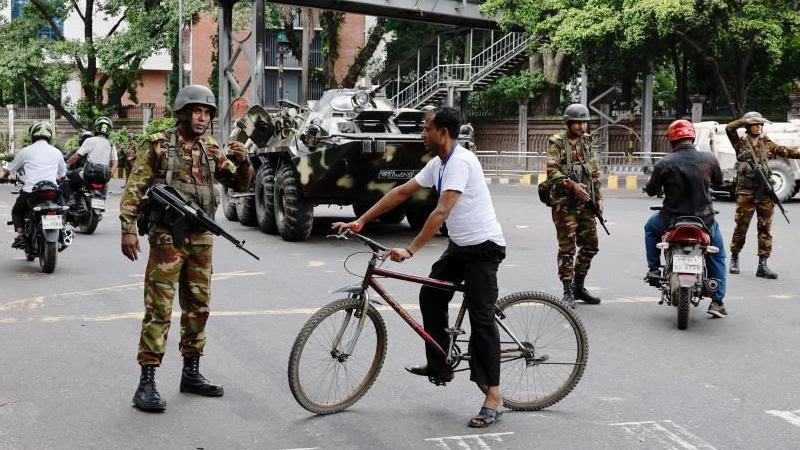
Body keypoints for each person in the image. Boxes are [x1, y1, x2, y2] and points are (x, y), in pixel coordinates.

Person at [332, 106, 507, 428]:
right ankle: (441, 366)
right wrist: (361, 221)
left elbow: (440, 212)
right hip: (460, 247)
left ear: (442, 131)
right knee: (430, 295)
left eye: (426, 128)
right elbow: (401, 192)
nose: (422, 134)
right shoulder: (439, 164)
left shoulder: (460, 162)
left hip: (483, 249)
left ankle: (493, 395)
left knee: (481, 319)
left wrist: (411, 250)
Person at [119, 85, 253, 413]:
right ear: (181, 113)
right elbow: (135, 187)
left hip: (201, 238)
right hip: (167, 237)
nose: (202, 118)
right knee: (159, 309)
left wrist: (245, 161)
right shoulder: (158, 145)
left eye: (207, 113)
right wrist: (128, 229)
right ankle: (146, 382)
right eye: (196, 112)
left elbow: (240, 184)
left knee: (198, 307)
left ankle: (191, 374)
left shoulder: (211, 148)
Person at [643, 119, 728, 318]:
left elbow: (652, 190)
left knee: (650, 228)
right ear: (692, 137)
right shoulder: (709, 159)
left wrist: (649, 188)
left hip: (671, 220)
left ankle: (654, 268)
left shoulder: (665, 163)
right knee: (718, 254)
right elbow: (720, 182)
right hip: (704, 220)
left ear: (672, 140)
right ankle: (717, 301)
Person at [725, 111, 800, 279]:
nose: (759, 127)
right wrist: (746, 119)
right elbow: (729, 128)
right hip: (746, 192)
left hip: (765, 192)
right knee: (741, 227)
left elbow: (786, 151)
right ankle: (735, 258)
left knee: (765, 228)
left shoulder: (767, 143)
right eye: (755, 124)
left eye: (760, 124)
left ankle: (763, 265)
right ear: (748, 126)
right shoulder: (740, 143)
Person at [545, 104, 603, 308]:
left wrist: (599, 200)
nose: (582, 126)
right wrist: (571, 185)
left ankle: (579, 285)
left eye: (584, 122)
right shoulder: (557, 142)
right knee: (567, 249)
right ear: (569, 123)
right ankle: (567, 290)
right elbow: (551, 172)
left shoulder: (587, 141)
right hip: (565, 204)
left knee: (591, 245)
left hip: (586, 203)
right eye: (578, 122)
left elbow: (594, 172)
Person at [0, 121, 66, 248]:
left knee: (17, 211)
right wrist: (58, 179)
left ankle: (21, 235)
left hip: (31, 191)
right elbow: (63, 174)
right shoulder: (57, 152)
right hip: (52, 191)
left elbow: (11, 168)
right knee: (61, 208)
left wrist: (4, 177)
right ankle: (62, 230)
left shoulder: (25, 151)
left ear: (33, 135)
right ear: (50, 135)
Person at [63, 117, 118, 208]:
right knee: (105, 184)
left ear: (96, 128)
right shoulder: (111, 145)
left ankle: (71, 199)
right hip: (104, 176)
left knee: (67, 178)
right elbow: (115, 163)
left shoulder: (90, 141)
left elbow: (77, 156)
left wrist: (67, 164)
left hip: (88, 174)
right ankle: (102, 199)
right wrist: (109, 175)